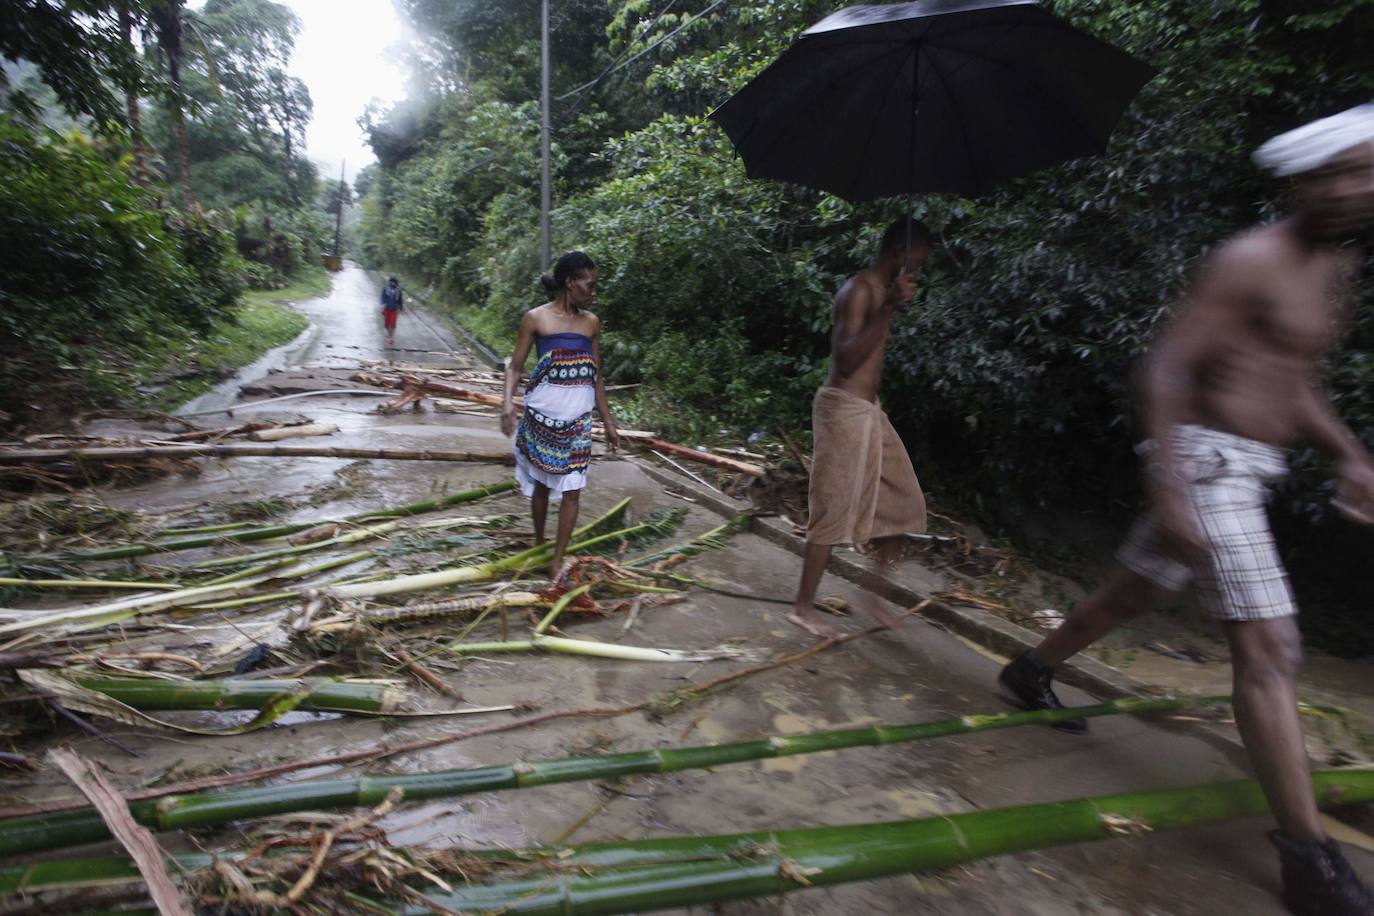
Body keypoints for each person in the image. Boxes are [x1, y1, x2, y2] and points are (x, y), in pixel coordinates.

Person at [998, 105, 1374, 916]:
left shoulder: (1331, 269)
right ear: (1303, 180)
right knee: (1272, 647)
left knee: (1136, 590)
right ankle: (1310, 859)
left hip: (1251, 466)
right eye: (1342, 171)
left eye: (1369, 171)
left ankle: (1030, 671)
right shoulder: (1249, 258)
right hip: (1205, 463)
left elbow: (1293, 378)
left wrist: (1348, 453)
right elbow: (1165, 369)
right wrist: (1170, 486)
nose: (1357, 187)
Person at [789, 217, 931, 639]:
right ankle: (802, 607)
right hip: (842, 410)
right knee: (832, 509)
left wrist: (890, 306)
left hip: (870, 411)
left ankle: (873, 593)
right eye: (916, 263)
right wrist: (888, 310)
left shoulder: (881, 293)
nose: (918, 272)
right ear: (896, 254)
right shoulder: (858, 291)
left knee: (905, 503)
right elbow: (848, 359)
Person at [501, 251, 620, 580]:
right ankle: (541, 542)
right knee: (541, 485)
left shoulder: (591, 323)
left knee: (573, 488)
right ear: (570, 282)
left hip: (579, 418)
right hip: (541, 416)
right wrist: (507, 403)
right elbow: (515, 366)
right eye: (590, 285)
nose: (593, 292)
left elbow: (596, 375)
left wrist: (608, 422)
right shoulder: (536, 319)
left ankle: (557, 559)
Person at [380, 276, 403, 346]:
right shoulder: (385, 289)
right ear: (389, 282)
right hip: (386, 309)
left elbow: (400, 300)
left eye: (394, 282)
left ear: (396, 283)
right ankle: (388, 335)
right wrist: (382, 305)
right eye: (391, 282)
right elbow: (382, 297)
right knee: (386, 324)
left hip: (394, 310)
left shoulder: (398, 290)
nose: (393, 283)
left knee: (392, 324)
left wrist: (400, 308)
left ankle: (390, 337)